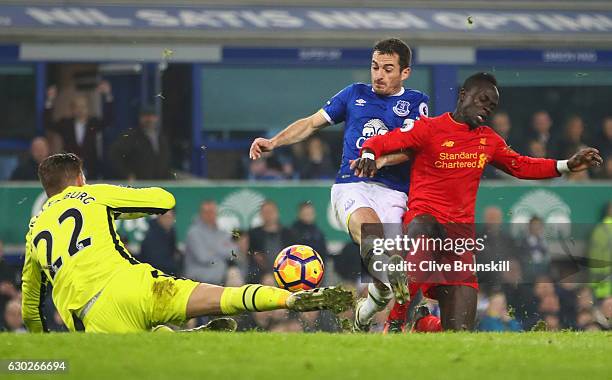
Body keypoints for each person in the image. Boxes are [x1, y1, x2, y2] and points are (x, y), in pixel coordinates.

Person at [353, 72, 603, 331]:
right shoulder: (429, 127)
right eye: (483, 100)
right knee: (425, 229)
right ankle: (395, 320)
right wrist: (370, 153)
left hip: (458, 242)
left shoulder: (488, 140)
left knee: (458, 331)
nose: (486, 108)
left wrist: (566, 165)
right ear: (463, 95)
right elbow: (383, 141)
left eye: (492, 106)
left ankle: (422, 323)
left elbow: (521, 165)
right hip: (423, 222)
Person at [20, 153, 352, 333]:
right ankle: (291, 301)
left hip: (97, 314)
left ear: (47, 189)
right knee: (225, 297)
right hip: (139, 285)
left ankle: (177, 343)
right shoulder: (93, 194)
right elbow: (163, 200)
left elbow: (31, 308)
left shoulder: (34, 232)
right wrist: (115, 207)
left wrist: (42, 341)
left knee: (141, 364)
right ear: (80, 179)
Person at [249, 38, 429, 331]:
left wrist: (380, 161)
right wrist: (274, 142)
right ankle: (385, 282)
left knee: (384, 282)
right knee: (374, 237)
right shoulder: (353, 94)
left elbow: (414, 148)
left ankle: (364, 314)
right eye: (374, 67)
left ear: (404, 73)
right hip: (352, 183)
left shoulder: (416, 101)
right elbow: (310, 123)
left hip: (394, 191)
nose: (378, 75)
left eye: (387, 69)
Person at [44, 82, 114, 179]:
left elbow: (109, 120)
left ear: (87, 109)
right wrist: (50, 100)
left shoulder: (93, 123)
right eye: (77, 107)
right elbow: (49, 124)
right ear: (72, 109)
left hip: (91, 169)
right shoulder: (66, 124)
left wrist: (107, 95)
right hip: (69, 169)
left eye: (83, 107)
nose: (80, 110)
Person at [109, 106, 172, 180]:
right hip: (139, 184)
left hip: (160, 183)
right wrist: (127, 174)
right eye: (145, 116)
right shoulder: (131, 136)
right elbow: (114, 155)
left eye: (151, 116)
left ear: (156, 118)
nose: (149, 119)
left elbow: (166, 160)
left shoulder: (162, 137)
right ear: (140, 118)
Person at [183, 201, 236, 285]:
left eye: (212, 212)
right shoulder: (194, 232)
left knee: (235, 275)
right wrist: (221, 253)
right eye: (206, 212)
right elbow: (203, 257)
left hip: (220, 279)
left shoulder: (222, 232)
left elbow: (233, 252)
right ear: (201, 214)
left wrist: (212, 250)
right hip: (198, 280)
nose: (209, 215)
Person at [247, 200, 293, 282]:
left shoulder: (288, 234)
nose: (268, 215)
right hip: (262, 274)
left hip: (286, 271)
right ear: (261, 214)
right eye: (265, 212)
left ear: (277, 213)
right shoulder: (254, 234)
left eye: (271, 212)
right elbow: (252, 256)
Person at [139, 209, 180, 277]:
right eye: (165, 217)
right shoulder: (151, 235)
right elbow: (155, 262)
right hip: (154, 275)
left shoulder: (171, 232)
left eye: (170, 217)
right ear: (159, 217)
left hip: (169, 273)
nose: (168, 220)